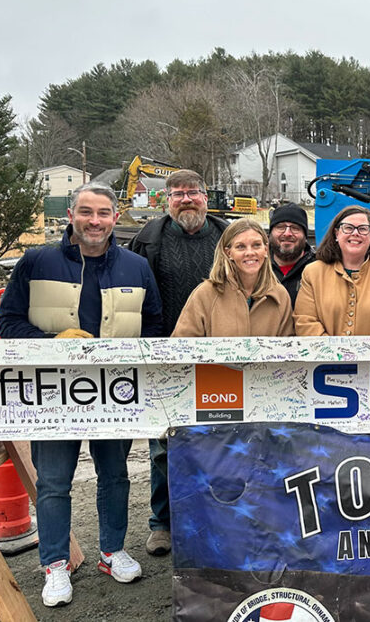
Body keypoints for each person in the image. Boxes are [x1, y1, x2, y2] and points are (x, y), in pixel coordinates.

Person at [0, 182, 163, 608]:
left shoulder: (135, 266)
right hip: (52, 392)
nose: (95, 221)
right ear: (71, 215)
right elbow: (9, 322)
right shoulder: (36, 262)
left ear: (115, 217)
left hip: (114, 393)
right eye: (86, 212)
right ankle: (55, 565)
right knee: (53, 482)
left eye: (104, 213)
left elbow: (155, 327)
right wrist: (53, 340)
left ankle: (112, 551)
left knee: (115, 475)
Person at [127, 168, 227, 558]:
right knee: (163, 447)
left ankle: (215, 518)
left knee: (219, 441)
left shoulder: (225, 237)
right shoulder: (147, 241)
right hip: (165, 358)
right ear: (166, 200)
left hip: (219, 359)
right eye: (177, 194)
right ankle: (163, 523)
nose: (186, 199)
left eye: (193, 193)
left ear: (206, 197)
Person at [294, 206, 370, 336]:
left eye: (363, 229)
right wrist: (334, 354)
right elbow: (305, 321)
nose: (355, 233)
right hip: (327, 356)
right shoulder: (313, 273)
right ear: (336, 234)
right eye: (348, 228)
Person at [172, 218, 294, 337]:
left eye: (256, 245)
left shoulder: (280, 296)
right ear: (228, 253)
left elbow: (289, 350)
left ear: (266, 250)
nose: (250, 252)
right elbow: (181, 346)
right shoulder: (205, 294)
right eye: (240, 247)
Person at [268, 203, 316, 305]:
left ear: (305, 236)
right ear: (270, 233)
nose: (287, 233)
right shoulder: (257, 266)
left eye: (295, 228)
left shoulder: (318, 269)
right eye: (281, 227)